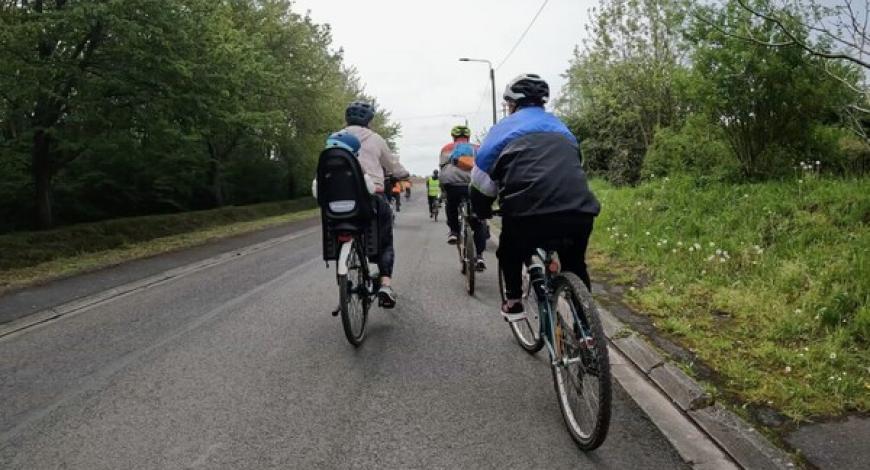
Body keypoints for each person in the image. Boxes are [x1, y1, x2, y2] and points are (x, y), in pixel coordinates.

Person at [470, 74, 600, 322]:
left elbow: (481, 181)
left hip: (527, 215)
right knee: (575, 263)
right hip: (580, 210)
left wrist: (483, 210)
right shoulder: (562, 128)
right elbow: (576, 164)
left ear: (511, 104)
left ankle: (514, 302)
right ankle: (588, 331)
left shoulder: (502, 130)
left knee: (509, 250)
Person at [342, 101, 409, 308]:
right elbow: (392, 166)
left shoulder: (335, 137)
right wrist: (403, 174)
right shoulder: (375, 139)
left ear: (347, 119)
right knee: (385, 240)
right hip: (373, 197)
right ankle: (385, 285)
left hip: (342, 198)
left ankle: (346, 264)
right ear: (369, 120)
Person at [440, 125, 489, 271]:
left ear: (453, 137)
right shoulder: (477, 147)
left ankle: (454, 232)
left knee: (451, 205)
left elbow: (442, 168)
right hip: (473, 184)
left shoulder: (446, 148)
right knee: (479, 220)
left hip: (452, 184)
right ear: (468, 137)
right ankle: (479, 255)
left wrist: (444, 190)